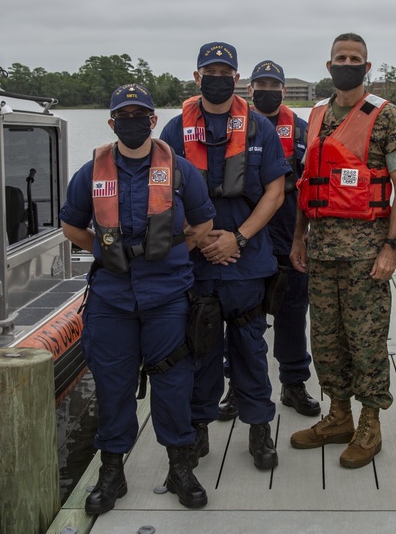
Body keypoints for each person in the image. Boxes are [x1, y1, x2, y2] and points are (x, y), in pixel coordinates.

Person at [60, 83, 215, 511]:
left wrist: (173, 254)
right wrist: (105, 252)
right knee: (113, 386)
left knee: (174, 382)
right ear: (112, 123)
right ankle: (112, 471)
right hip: (111, 299)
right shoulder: (90, 174)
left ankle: (180, 465)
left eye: (140, 116)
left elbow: (203, 224)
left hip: (167, 296)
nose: (132, 122)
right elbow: (71, 225)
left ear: (152, 121)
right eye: (123, 116)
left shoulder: (181, 171)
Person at [159, 42, 289, 471]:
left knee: (251, 349)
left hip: (246, 261)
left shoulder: (259, 129)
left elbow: (276, 190)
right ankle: (198, 427)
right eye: (208, 71)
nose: (217, 77)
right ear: (197, 78)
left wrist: (239, 237)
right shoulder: (175, 130)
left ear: (237, 79)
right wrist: (197, 238)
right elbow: (160, 195)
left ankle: (258, 427)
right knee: (199, 348)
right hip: (195, 262)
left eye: (225, 71)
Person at [288, 33, 396, 469]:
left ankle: (370, 423)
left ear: (367, 67)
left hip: (366, 255)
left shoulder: (387, 117)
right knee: (324, 340)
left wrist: (391, 247)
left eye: (355, 58)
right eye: (340, 58)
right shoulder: (318, 113)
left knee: (366, 341)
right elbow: (308, 182)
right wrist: (299, 236)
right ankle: (338, 416)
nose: (347, 63)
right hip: (321, 251)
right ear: (329, 66)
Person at [248, 60, 320, 417]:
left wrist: (304, 237)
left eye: (273, 84)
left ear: (283, 90)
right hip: (247, 239)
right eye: (260, 83)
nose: (267, 89)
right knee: (244, 319)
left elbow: (315, 187)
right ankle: (239, 386)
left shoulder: (304, 132)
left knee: (293, 314)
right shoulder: (236, 130)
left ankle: (293, 384)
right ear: (250, 90)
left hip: (291, 238)